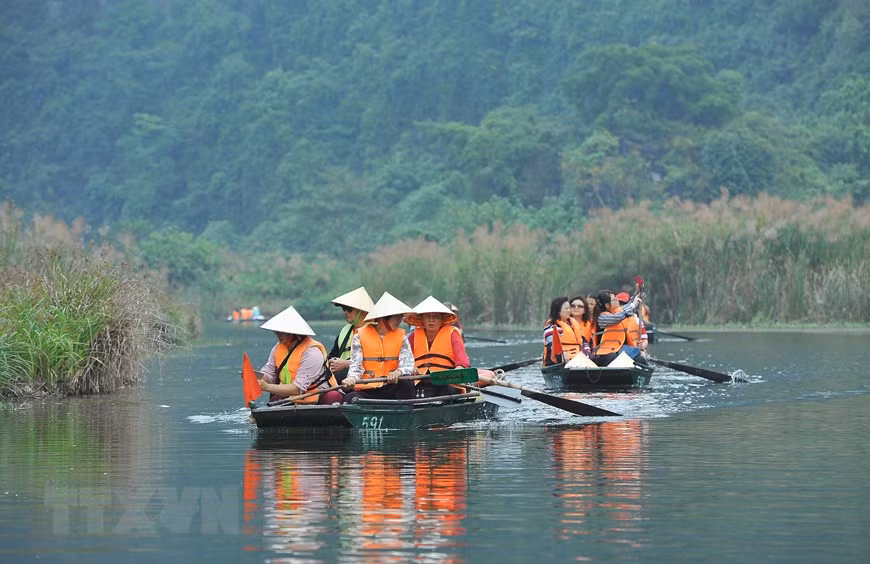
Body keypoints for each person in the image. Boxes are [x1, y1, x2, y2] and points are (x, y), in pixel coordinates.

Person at [256, 306, 343, 404]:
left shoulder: (312, 352)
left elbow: (298, 389)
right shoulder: (277, 348)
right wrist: (258, 378)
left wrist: (267, 387)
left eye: (282, 332)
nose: (278, 335)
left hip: (319, 394)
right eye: (276, 332)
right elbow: (269, 374)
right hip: (292, 394)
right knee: (274, 401)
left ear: (294, 333)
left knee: (332, 397)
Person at [342, 292, 416, 403]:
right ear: (383, 318)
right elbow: (356, 366)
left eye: (400, 316)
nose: (399, 320)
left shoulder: (402, 337)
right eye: (396, 317)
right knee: (350, 398)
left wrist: (398, 372)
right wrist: (352, 378)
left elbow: (408, 364)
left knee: (407, 384)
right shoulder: (359, 337)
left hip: (392, 387)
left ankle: (404, 414)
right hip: (369, 389)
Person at [406, 296, 471, 397]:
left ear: (442, 319)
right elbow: (405, 359)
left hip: (446, 382)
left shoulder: (452, 333)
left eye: (435, 317)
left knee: (448, 390)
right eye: (427, 316)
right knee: (404, 388)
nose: (431, 320)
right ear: (422, 319)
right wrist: (411, 367)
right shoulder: (413, 336)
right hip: (420, 381)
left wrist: (458, 370)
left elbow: (462, 361)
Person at [327, 286, 375, 384]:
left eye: (349, 309)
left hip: (366, 377)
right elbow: (332, 355)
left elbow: (376, 363)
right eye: (344, 309)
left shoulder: (376, 331)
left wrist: (347, 364)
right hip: (344, 379)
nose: (345, 312)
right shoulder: (345, 331)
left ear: (362, 310)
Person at [591, 290, 648, 366]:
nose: (617, 300)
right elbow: (618, 316)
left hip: (617, 350)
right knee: (613, 357)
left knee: (640, 359)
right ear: (607, 305)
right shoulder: (602, 317)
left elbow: (624, 309)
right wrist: (633, 305)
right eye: (615, 299)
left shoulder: (617, 312)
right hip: (602, 355)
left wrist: (635, 299)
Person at [542, 296, 585, 366]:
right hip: (558, 362)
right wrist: (563, 353)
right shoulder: (550, 327)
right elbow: (553, 346)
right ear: (558, 310)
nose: (569, 310)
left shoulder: (573, 324)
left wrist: (587, 351)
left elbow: (584, 341)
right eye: (566, 308)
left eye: (569, 308)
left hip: (576, 360)